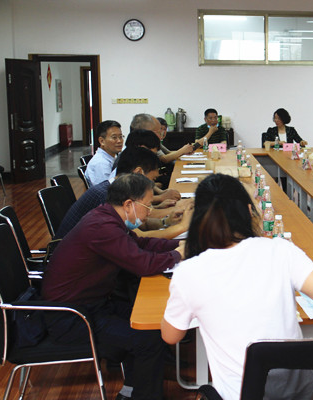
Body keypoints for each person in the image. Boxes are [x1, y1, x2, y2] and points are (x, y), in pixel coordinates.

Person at [161, 174, 313, 400]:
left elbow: (170, 336)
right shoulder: (281, 250)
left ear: (198, 220)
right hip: (303, 394)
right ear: (249, 211)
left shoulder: (189, 273)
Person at [42, 173, 185, 400]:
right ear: (129, 204)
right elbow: (143, 264)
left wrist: (180, 244)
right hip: (72, 317)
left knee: (151, 324)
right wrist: (177, 255)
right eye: (147, 206)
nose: (149, 212)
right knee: (147, 339)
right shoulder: (102, 227)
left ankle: (130, 391)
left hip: (94, 304)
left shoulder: (108, 217)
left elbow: (141, 243)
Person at [56, 146, 192, 239]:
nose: (152, 185)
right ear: (138, 173)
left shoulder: (116, 189)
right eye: (152, 179)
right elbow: (139, 237)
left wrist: (166, 222)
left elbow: (139, 225)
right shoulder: (108, 197)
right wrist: (181, 227)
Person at [85, 120, 123, 186]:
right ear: (102, 141)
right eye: (114, 137)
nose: (119, 141)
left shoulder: (112, 157)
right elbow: (105, 190)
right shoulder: (100, 163)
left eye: (120, 137)